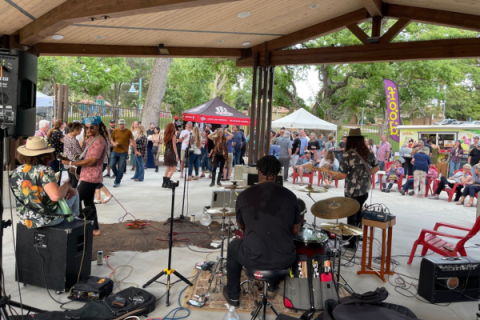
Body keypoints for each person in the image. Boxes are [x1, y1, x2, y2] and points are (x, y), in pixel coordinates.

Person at [223, 155, 300, 306]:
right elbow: (296, 230)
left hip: (254, 257)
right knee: (277, 246)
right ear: (277, 172)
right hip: (285, 258)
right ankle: (272, 286)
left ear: (258, 171)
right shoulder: (291, 196)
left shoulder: (244, 195)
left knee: (233, 246)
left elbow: (241, 225)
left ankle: (233, 295)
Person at [11, 137, 79, 229]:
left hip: (26, 220)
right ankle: (74, 220)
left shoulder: (17, 171)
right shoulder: (44, 171)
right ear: (46, 154)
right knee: (75, 192)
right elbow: (55, 196)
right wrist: (67, 185)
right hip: (46, 219)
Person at [332, 128, 379, 249]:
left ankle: (351, 242)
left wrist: (333, 177)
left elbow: (343, 175)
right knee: (359, 213)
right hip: (364, 190)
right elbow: (376, 168)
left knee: (351, 215)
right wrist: (365, 176)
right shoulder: (368, 153)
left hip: (351, 190)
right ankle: (357, 235)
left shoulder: (347, 155)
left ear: (350, 141)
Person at [62, 116, 108, 236]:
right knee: (89, 203)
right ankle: (94, 228)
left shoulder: (99, 140)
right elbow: (84, 157)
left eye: (91, 127)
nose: (88, 130)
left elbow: (92, 161)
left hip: (91, 177)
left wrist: (71, 163)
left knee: (74, 200)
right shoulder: (90, 139)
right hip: (86, 175)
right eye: (86, 128)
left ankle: (75, 227)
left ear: (98, 126)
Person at [110, 119, 136, 188]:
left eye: (123, 124)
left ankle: (117, 181)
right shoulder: (115, 131)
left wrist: (135, 150)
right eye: (121, 124)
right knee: (112, 164)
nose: (122, 126)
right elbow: (111, 139)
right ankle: (117, 175)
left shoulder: (128, 131)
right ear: (118, 125)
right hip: (115, 151)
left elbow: (133, 140)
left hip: (123, 152)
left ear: (125, 125)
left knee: (121, 168)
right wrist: (113, 143)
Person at [94, 122, 113, 204]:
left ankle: (107, 194)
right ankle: (98, 198)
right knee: (96, 179)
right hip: (102, 161)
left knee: (94, 179)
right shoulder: (103, 138)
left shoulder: (100, 139)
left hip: (100, 162)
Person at [63, 122, 83, 188]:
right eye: (80, 129)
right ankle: (72, 196)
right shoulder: (74, 140)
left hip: (67, 161)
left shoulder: (66, 136)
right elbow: (79, 152)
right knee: (74, 182)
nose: (81, 131)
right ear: (75, 129)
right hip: (74, 162)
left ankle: (68, 195)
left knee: (70, 180)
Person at [47, 120, 65, 184]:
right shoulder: (58, 133)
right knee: (57, 172)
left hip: (52, 155)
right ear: (61, 125)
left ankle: (53, 185)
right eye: (64, 124)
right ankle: (56, 186)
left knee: (53, 171)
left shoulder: (53, 131)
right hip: (57, 155)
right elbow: (65, 142)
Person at [162, 123, 178, 188]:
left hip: (167, 152)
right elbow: (174, 146)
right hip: (171, 152)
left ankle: (164, 182)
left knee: (168, 167)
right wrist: (176, 154)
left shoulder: (166, 135)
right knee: (174, 168)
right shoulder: (173, 135)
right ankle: (167, 181)